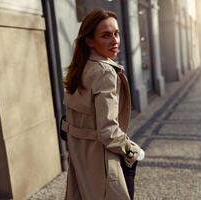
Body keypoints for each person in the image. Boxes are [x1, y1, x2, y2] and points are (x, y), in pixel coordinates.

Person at [61, 8, 145, 200]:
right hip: (101, 161)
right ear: (90, 40)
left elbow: (70, 123)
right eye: (105, 35)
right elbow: (108, 132)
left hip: (81, 158)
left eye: (116, 34)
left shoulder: (79, 68)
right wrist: (132, 150)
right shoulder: (105, 73)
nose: (114, 40)